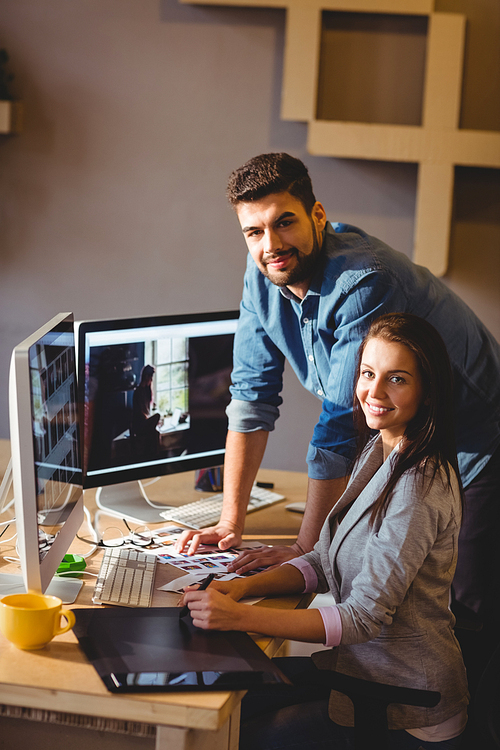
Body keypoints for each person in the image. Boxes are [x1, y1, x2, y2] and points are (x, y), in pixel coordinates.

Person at [175, 152, 500, 634]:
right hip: (401, 441)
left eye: (284, 223)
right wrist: (229, 524)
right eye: (254, 232)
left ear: (318, 216)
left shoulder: (364, 280)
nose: (271, 244)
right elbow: (250, 397)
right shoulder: (262, 274)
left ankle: (458, 710)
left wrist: (306, 548)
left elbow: (340, 421)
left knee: (462, 611)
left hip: (478, 439)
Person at [180, 313, 469, 749]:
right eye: (368, 373)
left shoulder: (419, 484)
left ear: (427, 391)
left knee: (235, 735)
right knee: (230, 696)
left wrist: (240, 618)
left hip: (406, 702)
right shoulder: (384, 446)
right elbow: (322, 558)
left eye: (397, 379)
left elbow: (361, 618)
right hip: (362, 671)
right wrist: (242, 588)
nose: (374, 392)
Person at [131, 364, 160, 455]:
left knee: (155, 434)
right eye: (151, 377)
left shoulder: (147, 391)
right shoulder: (138, 392)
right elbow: (140, 412)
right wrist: (149, 420)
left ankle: (155, 458)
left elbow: (147, 411)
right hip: (139, 424)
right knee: (157, 416)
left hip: (146, 423)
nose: (151, 380)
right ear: (146, 376)